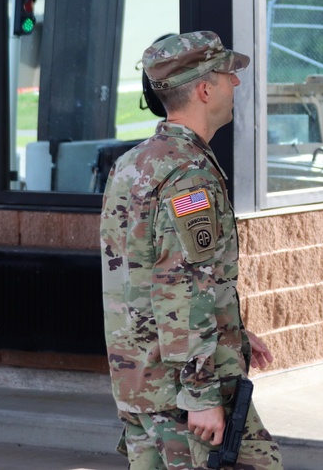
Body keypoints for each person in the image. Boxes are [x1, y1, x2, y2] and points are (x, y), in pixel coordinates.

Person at [100, 31, 284, 470]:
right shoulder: (189, 175)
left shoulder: (134, 163)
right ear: (204, 89)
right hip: (183, 396)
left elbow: (141, 277)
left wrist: (231, 332)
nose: (235, 84)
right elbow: (180, 286)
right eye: (227, 75)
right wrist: (201, 395)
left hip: (140, 385)